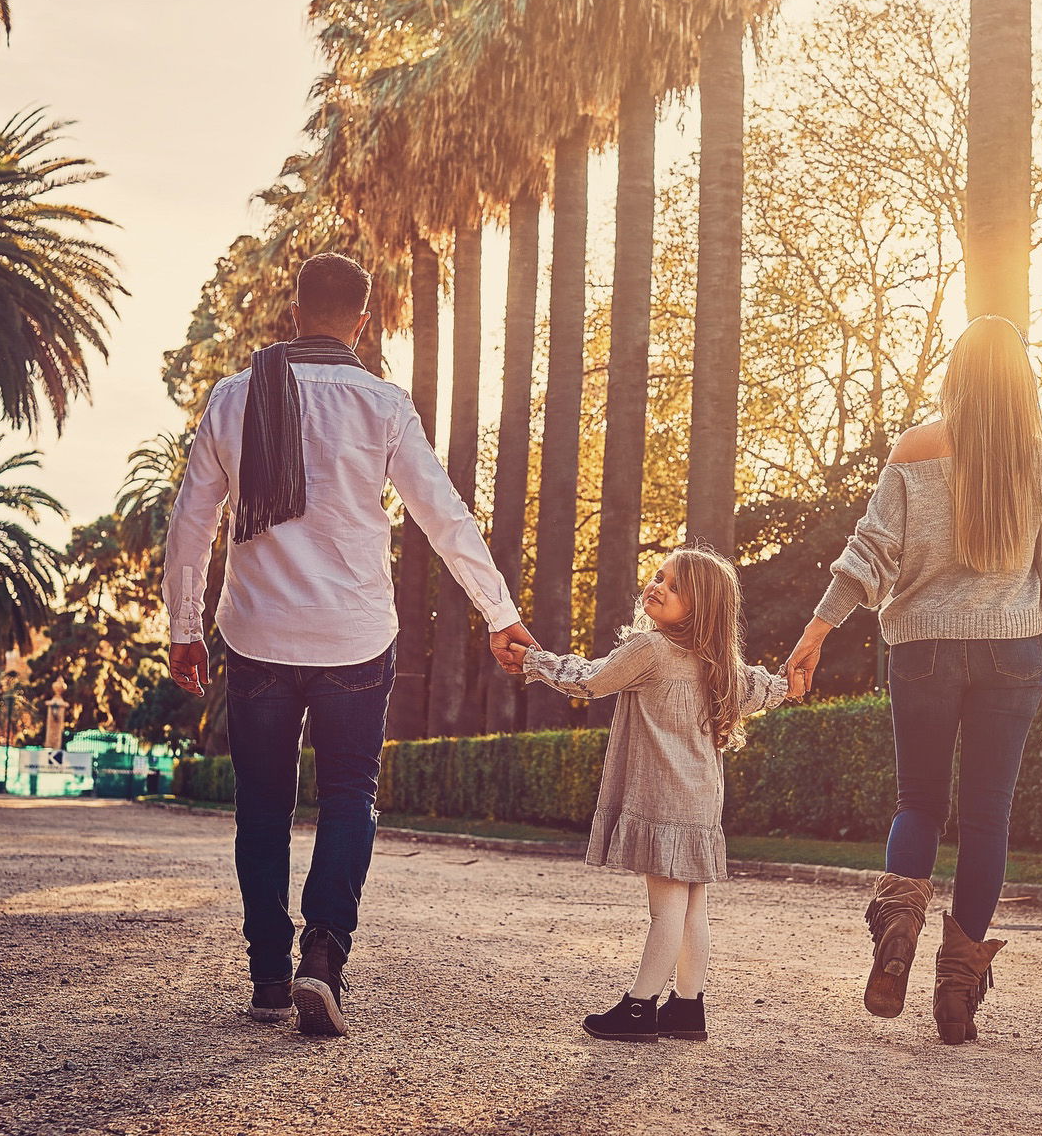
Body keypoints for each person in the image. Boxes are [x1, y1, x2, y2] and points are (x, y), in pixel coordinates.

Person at [164, 253, 534, 1037]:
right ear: (363, 322)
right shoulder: (382, 404)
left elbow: (191, 523)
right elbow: (444, 515)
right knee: (348, 797)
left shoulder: (234, 398)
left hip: (258, 636)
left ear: (293, 309)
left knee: (261, 805)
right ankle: (322, 953)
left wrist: (184, 628)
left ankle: (268, 968)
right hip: (356, 639)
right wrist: (498, 611)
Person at [785, 315, 1042, 1045]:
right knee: (987, 819)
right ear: (1022, 380)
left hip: (921, 649)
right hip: (1013, 654)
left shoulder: (915, 448)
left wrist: (816, 629)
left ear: (955, 375)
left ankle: (898, 927)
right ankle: (956, 992)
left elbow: (870, 554)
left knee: (918, 803)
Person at [509, 547, 787, 1043]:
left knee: (666, 911)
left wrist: (533, 659)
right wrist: (792, 682)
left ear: (699, 606)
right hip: (702, 799)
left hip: (663, 798)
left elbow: (591, 681)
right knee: (692, 908)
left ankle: (639, 1008)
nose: (657, 586)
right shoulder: (721, 663)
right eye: (659, 576)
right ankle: (687, 1008)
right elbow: (763, 688)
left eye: (674, 585)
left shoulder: (650, 649)